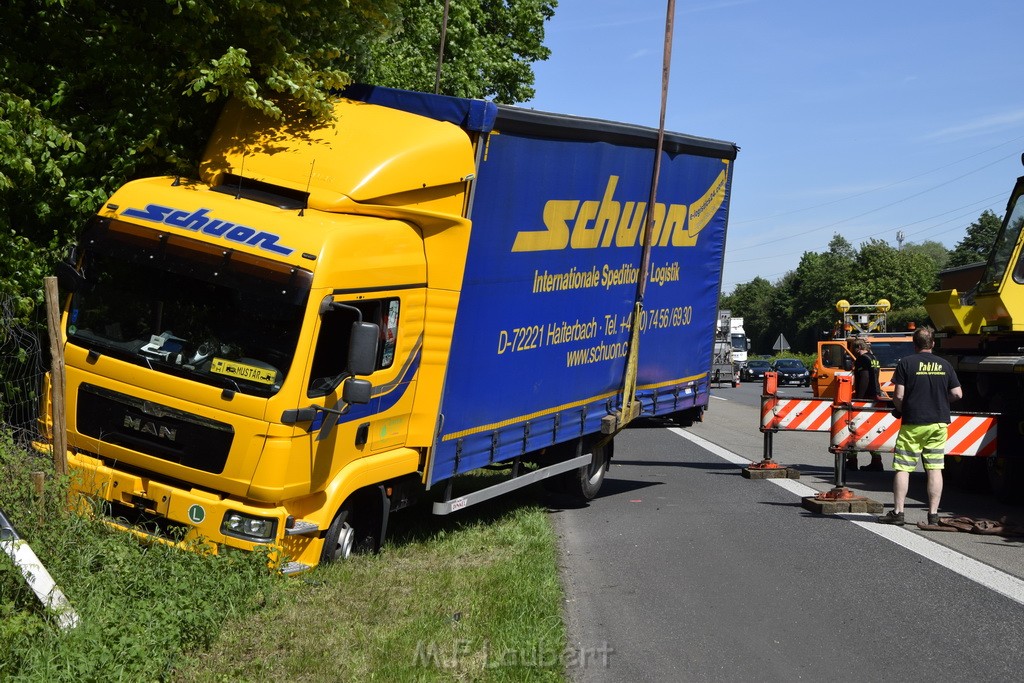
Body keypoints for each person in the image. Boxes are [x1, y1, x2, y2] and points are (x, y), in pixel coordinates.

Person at [877, 327, 962, 526]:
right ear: (933, 344)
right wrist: (941, 401)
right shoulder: (945, 364)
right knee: (934, 468)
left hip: (913, 423)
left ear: (914, 344)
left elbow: (898, 395)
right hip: (938, 423)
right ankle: (933, 516)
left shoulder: (906, 363)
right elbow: (958, 394)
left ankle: (898, 513)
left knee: (903, 468)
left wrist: (902, 409)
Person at [847, 338, 885, 472]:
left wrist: (859, 398)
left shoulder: (862, 359)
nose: (852, 352)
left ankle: (852, 460)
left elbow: (864, 378)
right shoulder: (873, 357)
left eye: (852, 349)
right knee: (871, 430)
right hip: (874, 395)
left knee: (854, 428)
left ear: (857, 348)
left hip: (865, 397)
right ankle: (876, 461)